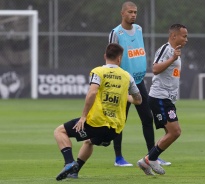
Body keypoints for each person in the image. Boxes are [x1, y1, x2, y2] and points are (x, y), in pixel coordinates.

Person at [54, 43, 142, 181]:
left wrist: (83, 116)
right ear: (120, 59)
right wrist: (125, 96)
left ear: (105, 56)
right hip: (114, 130)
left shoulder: (98, 72)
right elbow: (138, 100)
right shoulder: (127, 76)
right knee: (89, 141)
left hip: (96, 123)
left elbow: (92, 92)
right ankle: (74, 171)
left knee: (60, 131)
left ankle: (69, 162)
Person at [108, 1, 171, 167]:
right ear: (122, 13)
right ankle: (118, 158)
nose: (133, 15)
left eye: (135, 12)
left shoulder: (139, 29)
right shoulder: (116, 33)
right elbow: (111, 58)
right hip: (122, 84)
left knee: (147, 118)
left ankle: (152, 156)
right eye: (130, 12)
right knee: (120, 121)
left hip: (138, 81)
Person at [137, 23, 188, 175]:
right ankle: (151, 159)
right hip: (159, 97)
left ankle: (145, 161)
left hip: (167, 99)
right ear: (174, 36)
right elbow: (155, 69)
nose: (187, 39)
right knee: (175, 132)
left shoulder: (175, 52)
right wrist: (172, 58)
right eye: (184, 36)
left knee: (171, 133)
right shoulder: (167, 50)